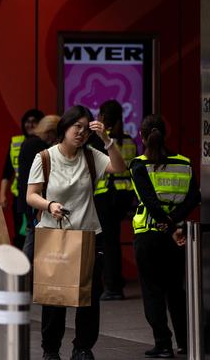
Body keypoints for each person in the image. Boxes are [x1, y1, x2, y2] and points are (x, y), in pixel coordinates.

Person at [26, 105, 125, 360]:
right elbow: (31, 196)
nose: (80, 133)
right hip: (54, 235)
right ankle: (50, 350)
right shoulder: (45, 157)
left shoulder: (91, 155)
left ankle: (83, 348)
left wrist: (106, 139)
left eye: (85, 128)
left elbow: (119, 168)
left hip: (89, 235)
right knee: (55, 297)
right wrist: (50, 205)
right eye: (76, 127)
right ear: (64, 128)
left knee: (89, 296)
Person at [129, 115, 200, 358]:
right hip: (177, 236)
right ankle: (185, 342)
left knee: (152, 291)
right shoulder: (184, 162)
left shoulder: (139, 164)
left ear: (142, 136)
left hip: (149, 236)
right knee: (176, 291)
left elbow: (148, 200)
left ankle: (163, 344)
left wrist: (165, 224)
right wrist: (174, 224)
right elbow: (194, 198)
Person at [88, 100, 138, 301]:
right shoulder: (129, 141)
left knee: (107, 243)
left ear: (101, 118)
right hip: (125, 198)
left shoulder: (98, 142)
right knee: (112, 241)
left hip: (104, 197)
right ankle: (114, 281)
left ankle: (113, 286)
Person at [0, 109, 44, 249]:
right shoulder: (16, 142)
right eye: (27, 122)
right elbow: (7, 172)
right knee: (21, 233)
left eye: (34, 122)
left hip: (39, 196)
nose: (30, 125)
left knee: (37, 234)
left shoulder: (44, 143)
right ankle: (21, 267)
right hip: (19, 196)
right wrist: (2, 195)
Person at [19, 114, 60, 260]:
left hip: (28, 199)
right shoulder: (39, 146)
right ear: (50, 132)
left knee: (31, 240)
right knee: (31, 243)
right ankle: (22, 279)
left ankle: (23, 278)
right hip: (35, 202)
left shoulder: (28, 142)